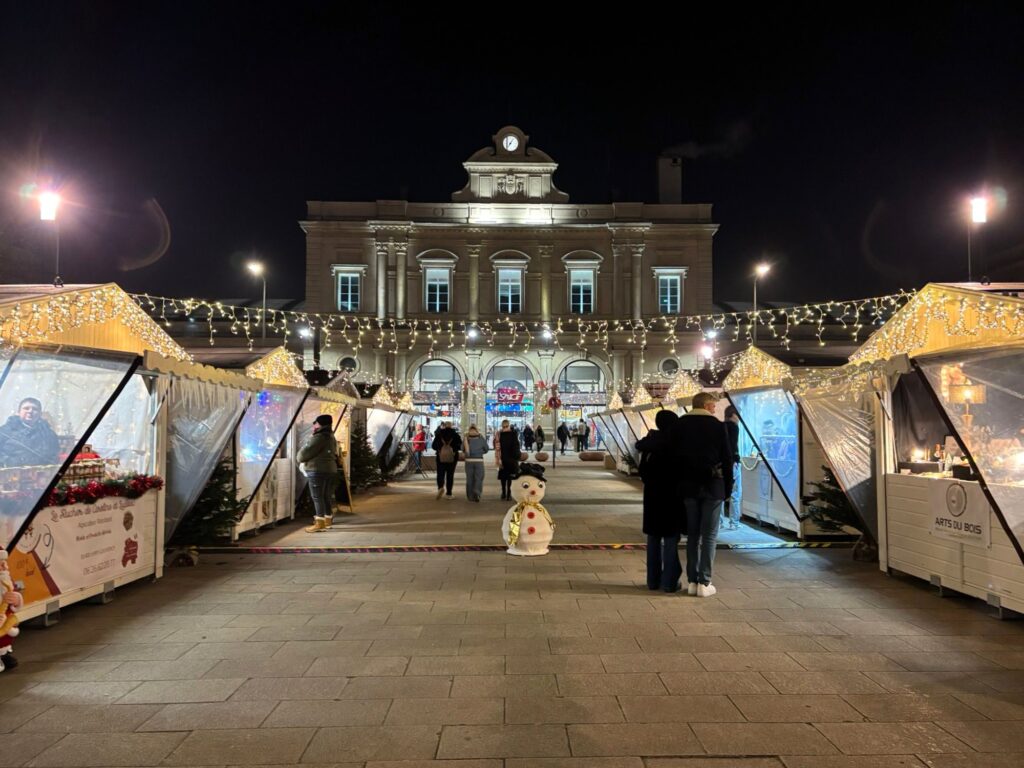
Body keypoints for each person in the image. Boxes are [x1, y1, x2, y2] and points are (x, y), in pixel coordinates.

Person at [671, 392, 734, 597]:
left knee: (692, 534)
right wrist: (728, 488)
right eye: (714, 406)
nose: (715, 410)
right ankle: (705, 582)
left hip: (688, 485)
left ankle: (691, 580)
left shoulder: (680, 425)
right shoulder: (718, 427)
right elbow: (727, 459)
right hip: (713, 486)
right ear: (707, 406)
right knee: (709, 535)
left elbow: (674, 457)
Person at [636, 409, 682, 592]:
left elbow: (642, 470)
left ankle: (652, 581)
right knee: (670, 539)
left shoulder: (650, 444)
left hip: (652, 496)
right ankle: (669, 582)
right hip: (672, 497)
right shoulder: (676, 444)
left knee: (653, 539)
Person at [296, 414, 339, 533]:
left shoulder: (319, 437)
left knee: (317, 496)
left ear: (320, 424)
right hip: (329, 469)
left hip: (317, 470)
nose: (314, 424)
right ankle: (327, 520)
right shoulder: (331, 436)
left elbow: (303, 455)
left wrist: (299, 456)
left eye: (315, 422)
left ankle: (319, 523)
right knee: (325, 495)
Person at [0, 397, 61, 468]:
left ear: (40, 414)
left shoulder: (48, 433)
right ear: (18, 412)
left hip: (40, 472)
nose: (30, 411)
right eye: (26, 408)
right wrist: (9, 462)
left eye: (35, 409)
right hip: (11, 471)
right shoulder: (5, 431)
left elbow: (54, 454)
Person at [722, 405, 742, 531]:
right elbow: (733, 444)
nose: (739, 417)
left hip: (722, 463)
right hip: (733, 462)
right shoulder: (734, 427)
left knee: (720, 494)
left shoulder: (721, 426)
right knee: (736, 493)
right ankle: (734, 522)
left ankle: (719, 522)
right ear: (733, 414)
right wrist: (735, 459)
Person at [431, 421, 461, 499]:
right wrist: (454, 449)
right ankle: (449, 493)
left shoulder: (439, 435)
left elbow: (433, 446)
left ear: (444, 426)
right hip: (452, 458)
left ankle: (440, 487)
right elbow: (460, 446)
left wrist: (440, 449)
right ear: (451, 426)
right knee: (450, 475)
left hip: (440, 457)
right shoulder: (456, 435)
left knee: (440, 473)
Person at [462, 424, 489, 502]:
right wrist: (480, 452)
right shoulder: (481, 438)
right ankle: (477, 493)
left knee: (469, 478)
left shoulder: (466, 438)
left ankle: (470, 496)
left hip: (468, 461)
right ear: (477, 430)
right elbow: (486, 449)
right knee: (479, 477)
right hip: (479, 461)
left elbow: (462, 449)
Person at [497, 420, 520, 500]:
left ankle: (504, 493)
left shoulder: (500, 435)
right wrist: (517, 457)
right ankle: (508, 494)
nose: (505, 428)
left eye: (505, 426)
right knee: (509, 477)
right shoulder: (513, 434)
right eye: (505, 426)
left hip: (504, 458)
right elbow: (516, 446)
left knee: (504, 477)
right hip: (511, 459)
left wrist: (498, 458)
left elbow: (497, 447)